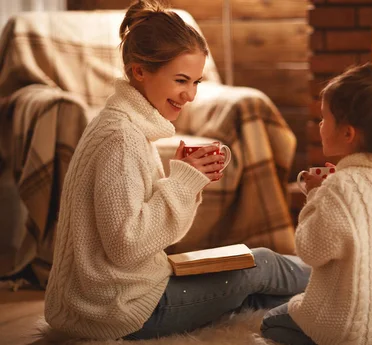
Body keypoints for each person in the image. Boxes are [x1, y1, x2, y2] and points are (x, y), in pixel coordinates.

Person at [44, 0, 310, 340]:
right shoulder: (121, 138)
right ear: (139, 71)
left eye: (197, 81)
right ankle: (347, 281)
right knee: (262, 264)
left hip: (109, 298)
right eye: (181, 80)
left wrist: (186, 180)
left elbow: (143, 231)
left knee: (260, 289)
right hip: (116, 309)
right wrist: (182, 184)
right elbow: (126, 245)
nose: (191, 95)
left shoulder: (124, 127)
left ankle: (324, 298)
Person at [260, 63, 372, 345]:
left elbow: (311, 251)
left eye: (324, 118)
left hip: (348, 330)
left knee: (270, 322)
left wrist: (315, 195)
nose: (320, 125)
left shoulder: (341, 185)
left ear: (348, 134)